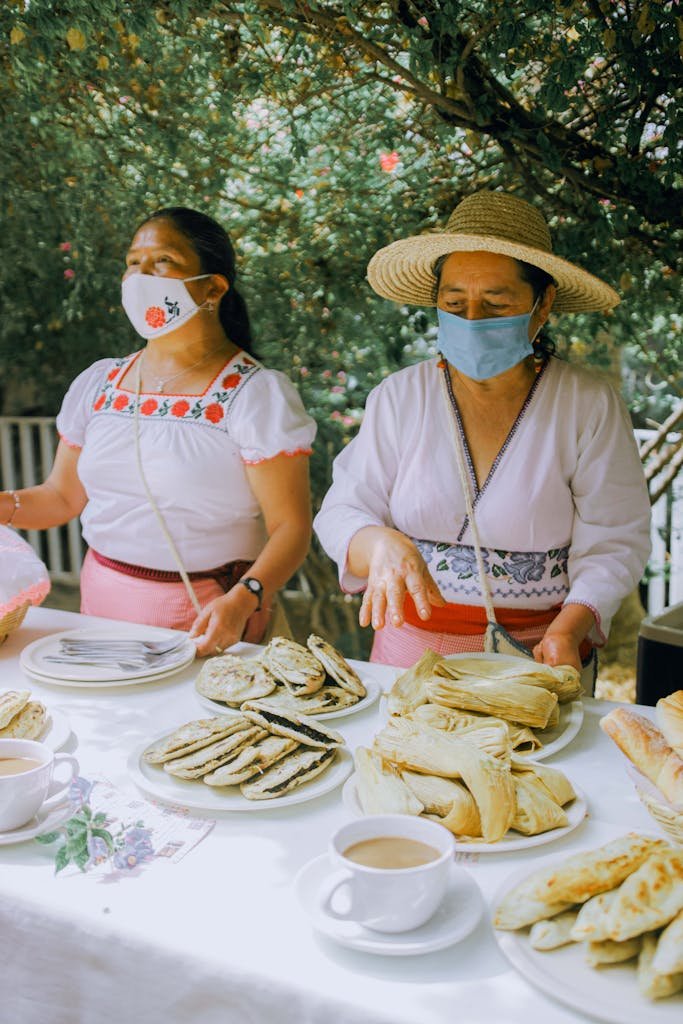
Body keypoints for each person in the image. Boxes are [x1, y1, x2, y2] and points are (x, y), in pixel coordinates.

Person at [314, 190, 651, 674]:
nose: (471, 320)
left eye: (495, 305)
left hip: (537, 659)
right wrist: (378, 542)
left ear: (542, 305)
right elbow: (343, 509)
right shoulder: (400, 397)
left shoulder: (586, 404)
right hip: (409, 655)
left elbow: (615, 540)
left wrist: (568, 630)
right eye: (454, 302)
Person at [1, 207, 315, 656]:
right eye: (133, 263)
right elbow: (61, 497)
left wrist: (244, 600)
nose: (140, 276)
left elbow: (291, 527)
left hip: (212, 621)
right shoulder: (99, 383)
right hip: (99, 615)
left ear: (212, 286)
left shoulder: (256, 395)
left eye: (163, 261)